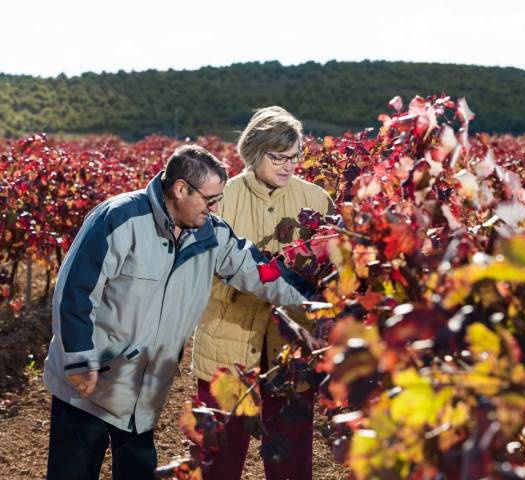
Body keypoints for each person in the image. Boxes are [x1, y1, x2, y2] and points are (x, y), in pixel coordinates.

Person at [43, 144, 312, 480]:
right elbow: (75, 290)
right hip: (90, 385)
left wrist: (316, 300)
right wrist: (80, 360)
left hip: (143, 394)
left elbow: (260, 272)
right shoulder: (120, 218)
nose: (216, 208)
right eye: (210, 199)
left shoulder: (211, 232)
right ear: (181, 188)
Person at [192, 106, 334, 480]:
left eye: (295, 157)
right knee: (220, 457)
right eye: (278, 157)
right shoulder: (222, 198)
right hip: (228, 345)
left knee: (290, 456)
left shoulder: (317, 201)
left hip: (290, 353)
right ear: (254, 151)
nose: (289, 166)